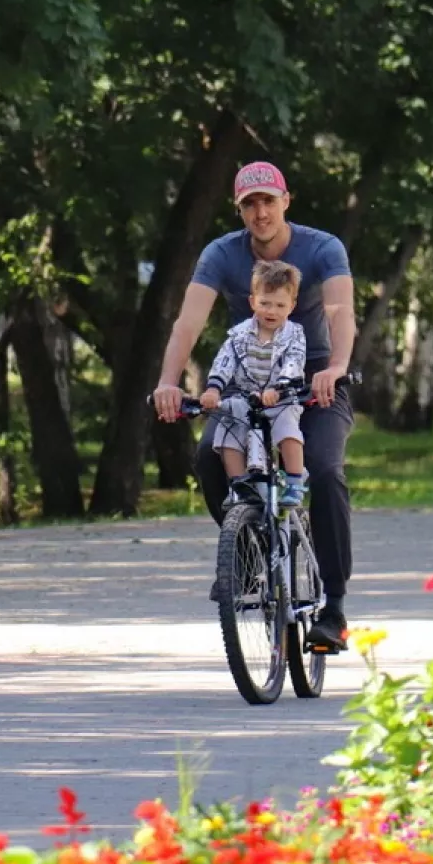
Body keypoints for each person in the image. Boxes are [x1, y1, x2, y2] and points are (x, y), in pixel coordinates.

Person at [152, 160, 356, 651]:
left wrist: (336, 368)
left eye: (269, 200)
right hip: (245, 383)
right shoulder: (222, 254)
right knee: (207, 455)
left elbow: (340, 311)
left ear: (286, 200)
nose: (260, 212)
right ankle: (243, 551)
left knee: (325, 472)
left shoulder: (323, 247)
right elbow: (188, 322)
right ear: (239, 209)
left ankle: (334, 607)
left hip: (315, 378)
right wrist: (167, 381)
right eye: (250, 204)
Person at [200, 260, 308, 509]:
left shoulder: (295, 335)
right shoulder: (238, 335)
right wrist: (214, 389)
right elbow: (224, 362)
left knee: (287, 429)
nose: (272, 311)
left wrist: (279, 388)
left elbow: (295, 361)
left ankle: (294, 481)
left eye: (280, 305)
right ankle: (240, 485)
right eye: (265, 303)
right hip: (246, 397)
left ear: (291, 306)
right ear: (252, 302)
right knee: (229, 427)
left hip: (281, 398)